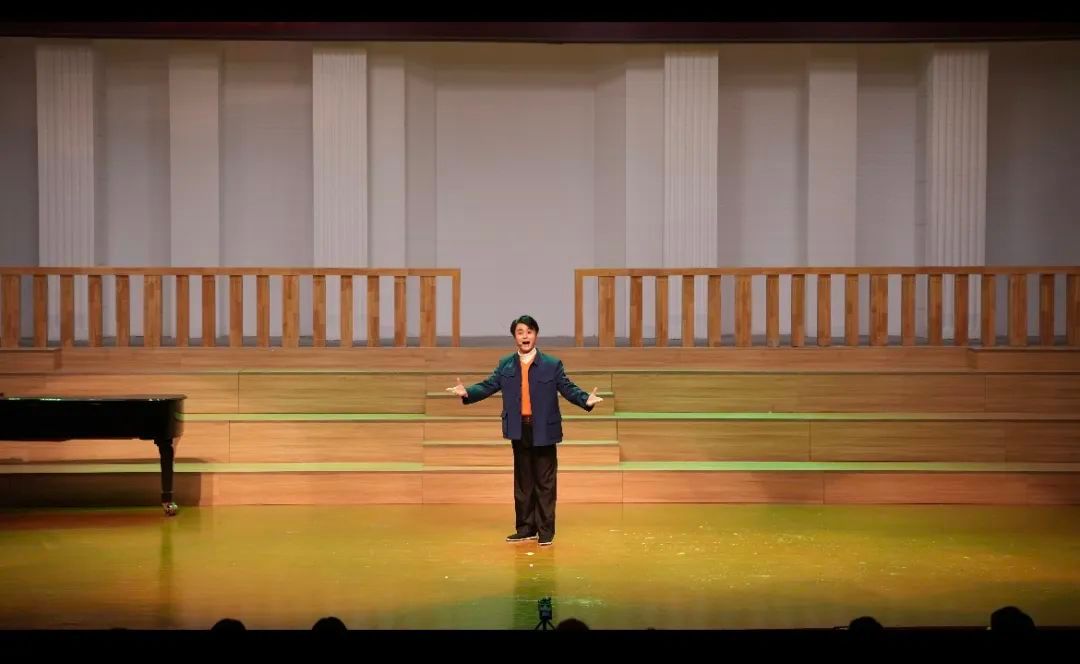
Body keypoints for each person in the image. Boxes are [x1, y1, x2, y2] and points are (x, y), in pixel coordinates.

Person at [446, 315, 602, 546]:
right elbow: (488, 385)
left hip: (544, 430)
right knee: (523, 482)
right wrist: (467, 392)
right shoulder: (506, 365)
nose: (525, 336)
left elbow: (567, 387)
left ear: (535, 335)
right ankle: (526, 528)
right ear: (515, 337)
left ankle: (545, 530)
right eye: (520, 332)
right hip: (519, 429)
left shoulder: (551, 364)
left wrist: (586, 399)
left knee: (545, 482)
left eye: (529, 332)